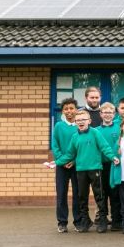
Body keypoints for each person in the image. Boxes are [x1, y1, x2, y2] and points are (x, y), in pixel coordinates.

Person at [55, 109, 119, 233]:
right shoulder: (75, 137)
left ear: (89, 121)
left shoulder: (95, 133)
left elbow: (104, 147)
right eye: (78, 120)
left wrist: (112, 157)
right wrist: (56, 162)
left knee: (99, 196)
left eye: (83, 120)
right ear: (75, 122)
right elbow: (69, 154)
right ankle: (85, 220)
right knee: (81, 197)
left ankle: (102, 220)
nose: (80, 122)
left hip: (95, 169)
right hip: (80, 171)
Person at [52, 98, 79, 233]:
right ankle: (62, 222)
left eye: (71, 108)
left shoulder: (80, 126)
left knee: (77, 194)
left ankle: (78, 221)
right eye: (66, 109)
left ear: (76, 110)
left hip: (77, 165)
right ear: (63, 111)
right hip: (62, 166)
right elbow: (55, 145)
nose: (69, 111)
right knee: (61, 194)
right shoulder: (58, 126)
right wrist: (62, 161)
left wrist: (73, 161)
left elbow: (81, 146)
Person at [96, 102, 122, 232]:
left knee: (115, 193)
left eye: (110, 112)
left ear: (114, 114)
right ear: (100, 114)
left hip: (115, 165)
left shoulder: (119, 128)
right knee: (102, 194)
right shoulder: (96, 131)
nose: (107, 115)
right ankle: (103, 220)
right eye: (105, 112)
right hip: (101, 166)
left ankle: (116, 220)